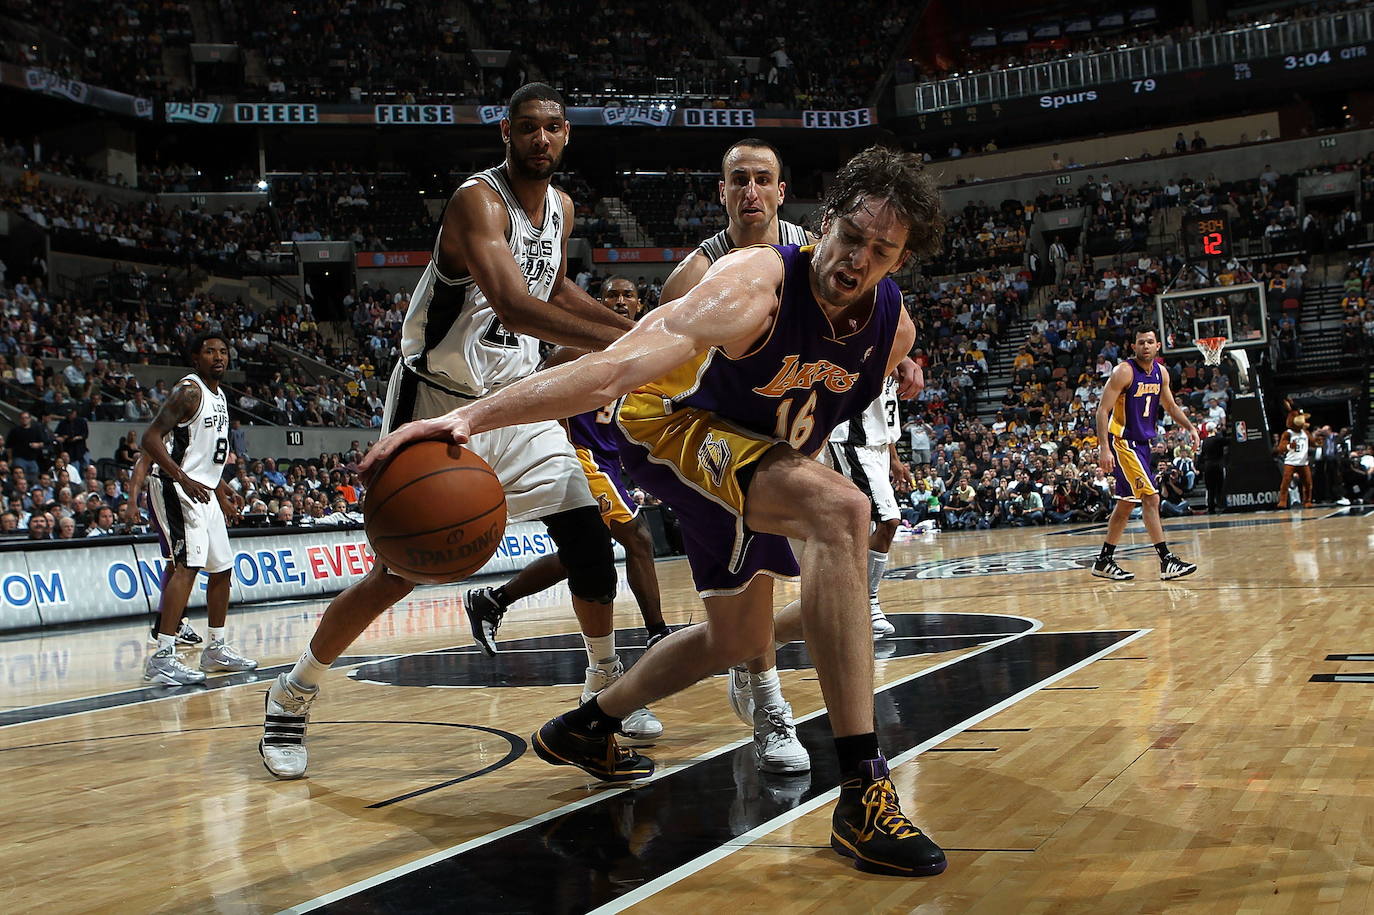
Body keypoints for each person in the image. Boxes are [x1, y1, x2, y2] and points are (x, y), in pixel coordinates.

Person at [365, 145, 948, 878]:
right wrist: (469, 421)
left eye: (881, 250)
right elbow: (615, 366)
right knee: (841, 512)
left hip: (751, 447)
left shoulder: (892, 330)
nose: (858, 259)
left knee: (740, 634)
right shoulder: (752, 285)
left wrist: (801, 462)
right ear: (821, 223)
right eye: (851, 237)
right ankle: (864, 789)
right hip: (667, 423)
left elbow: (819, 407)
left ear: (900, 259)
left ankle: (591, 721)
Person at [258, 84, 649, 781]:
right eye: (527, 128)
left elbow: (554, 289)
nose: (541, 140)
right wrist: (632, 346)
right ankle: (291, 694)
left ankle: (603, 690)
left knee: (590, 543)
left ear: (566, 136)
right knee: (398, 573)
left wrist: (639, 334)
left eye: (553, 128)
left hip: (516, 400)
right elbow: (515, 305)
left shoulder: (559, 208)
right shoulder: (478, 199)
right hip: (438, 401)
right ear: (506, 132)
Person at [656, 137, 817, 774]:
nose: (751, 190)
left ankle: (750, 663)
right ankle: (772, 701)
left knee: (837, 586)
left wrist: (904, 360)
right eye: (738, 180)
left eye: (762, 179)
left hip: (796, 429)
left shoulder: (811, 251)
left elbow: (867, 315)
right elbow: (660, 359)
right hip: (723, 442)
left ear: (781, 190)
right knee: (751, 576)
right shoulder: (696, 274)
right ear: (722, 192)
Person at [462, 276, 669, 742]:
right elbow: (541, 399)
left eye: (627, 294)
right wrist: (556, 453)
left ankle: (494, 599)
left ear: (639, 301)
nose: (619, 300)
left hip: (614, 462)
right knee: (639, 539)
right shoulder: (575, 352)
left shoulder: (649, 351)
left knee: (585, 557)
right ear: (599, 304)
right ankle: (658, 633)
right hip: (580, 457)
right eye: (611, 295)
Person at [131, 334, 257, 685]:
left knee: (223, 570)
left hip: (204, 490)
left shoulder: (221, 396)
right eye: (209, 351)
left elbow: (202, 454)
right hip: (176, 487)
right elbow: (150, 439)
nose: (218, 356)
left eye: (223, 350)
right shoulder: (189, 391)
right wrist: (183, 479)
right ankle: (162, 656)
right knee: (186, 568)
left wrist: (221, 486)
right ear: (195, 358)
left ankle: (215, 648)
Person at [1091, 325, 1199, 581]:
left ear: (1158, 346)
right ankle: (1166, 560)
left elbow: (1171, 406)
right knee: (1151, 498)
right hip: (1123, 442)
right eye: (1141, 342)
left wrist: (1190, 427)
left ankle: (1104, 560)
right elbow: (1101, 411)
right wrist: (1104, 448)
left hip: (1142, 444)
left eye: (1150, 342)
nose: (1146, 346)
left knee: (1127, 504)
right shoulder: (1124, 371)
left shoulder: (1161, 373)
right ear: (1134, 346)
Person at [826, 374, 905, 636]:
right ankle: (867, 603)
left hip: (878, 445)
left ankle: (848, 601)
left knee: (865, 527)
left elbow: (885, 409)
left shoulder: (896, 350)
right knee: (889, 520)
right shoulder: (868, 344)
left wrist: (894, 458)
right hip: (852, 441)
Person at [1275, 412, 1313, 509]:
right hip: (1291, 462)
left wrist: (1317, 441)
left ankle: (1307, 501)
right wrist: (1288, 446)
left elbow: (1312, 442)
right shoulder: (1288, 433)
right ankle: (1283, 501)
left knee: (1308, 483)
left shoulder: (1305, 433)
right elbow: (1280, 448)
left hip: (1303, 462)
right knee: (1286, 482)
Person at [1199, 420, 1229, 513]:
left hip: (1208, 466)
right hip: (1218, 465)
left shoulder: (1204, 441)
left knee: (1210, 488)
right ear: (1214, 429)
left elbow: (1202, 455)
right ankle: (1222, 506)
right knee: (1220, 486)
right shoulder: (1218, 439)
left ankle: (1211, 507)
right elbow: (1229, 441)